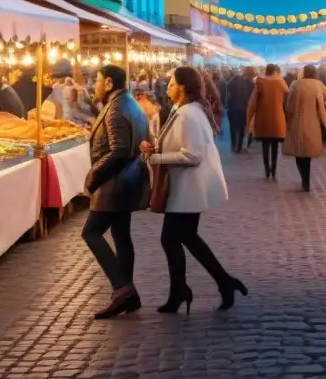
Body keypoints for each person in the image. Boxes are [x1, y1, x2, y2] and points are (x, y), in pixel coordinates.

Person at [141, 66, 245, 314]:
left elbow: (193, 155)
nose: (167, 86)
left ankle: (184, 291)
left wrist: (157, 159)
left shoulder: (188, 114)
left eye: (172, 83)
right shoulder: (183, 110)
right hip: (185, 187)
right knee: (186, 238)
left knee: (171, 238)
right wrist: (156, 149)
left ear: (183, 87)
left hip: (188, 188)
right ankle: (220, 283)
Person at [82, 65, 150, 320]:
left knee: (91, 232)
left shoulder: (117, 107)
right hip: (128, 181)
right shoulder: (129, 103)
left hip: (115, 183)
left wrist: (93, 176)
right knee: (121, 234)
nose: (95, 86)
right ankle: (128, 296)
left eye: (97, 81)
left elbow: (119, 150)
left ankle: (121, 287)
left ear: (109, 82)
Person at [284, 65, 326, 191]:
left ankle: (304, 177)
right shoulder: (320, 85)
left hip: (297, 121)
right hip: (313, 121)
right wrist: (324, 117)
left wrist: (288, 118)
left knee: (299, 150)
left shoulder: (295, 85)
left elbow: (289, 105)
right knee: (308, 152)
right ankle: (306, 179)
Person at [247, 64, 288, 179]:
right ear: (275, 72)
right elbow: (287, 96)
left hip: (263, 119)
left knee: (265, 147)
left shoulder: (259, 83)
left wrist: (250, 117)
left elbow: (253, 103)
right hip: (277, 119)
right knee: (275, 147)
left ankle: (267, 170)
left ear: (266, 71)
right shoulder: (281, 83)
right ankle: (274, 170)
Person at [225, 67, 256, 153]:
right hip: (243, 109)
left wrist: (227, 104)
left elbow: (229, 92)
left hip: (233, 108)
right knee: (242, 128)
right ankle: (238, 146)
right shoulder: (252, 84)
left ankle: (234, 145)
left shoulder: (235, 79)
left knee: (233, 127)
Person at [201, 70, 224, 136]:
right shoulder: (215, 92)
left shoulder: (203, 95)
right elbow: (219, 108)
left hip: (206, 119)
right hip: (213, 119)